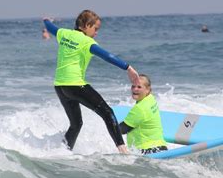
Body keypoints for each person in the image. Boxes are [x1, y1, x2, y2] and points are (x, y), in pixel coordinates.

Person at [42, 10, 140, 154]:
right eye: (95, 29)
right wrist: (128, 67)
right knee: (108, 113)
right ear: (86, 26)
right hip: (75, 85)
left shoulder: (63, 34)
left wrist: (45, 20)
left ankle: (62, 152)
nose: (96, 33)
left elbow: (51, 28)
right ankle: (124, 151)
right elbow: (107, 56)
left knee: (76, 124)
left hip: (60, 87)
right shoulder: (87, 42)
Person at [119, 74, 168, 155]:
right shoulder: (150, 99)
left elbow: (122, 129)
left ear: (148, 90)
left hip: (147, 151)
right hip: (160, 148)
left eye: (139, 87)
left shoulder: (140, 109)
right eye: (133, 86)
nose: (135, 89)